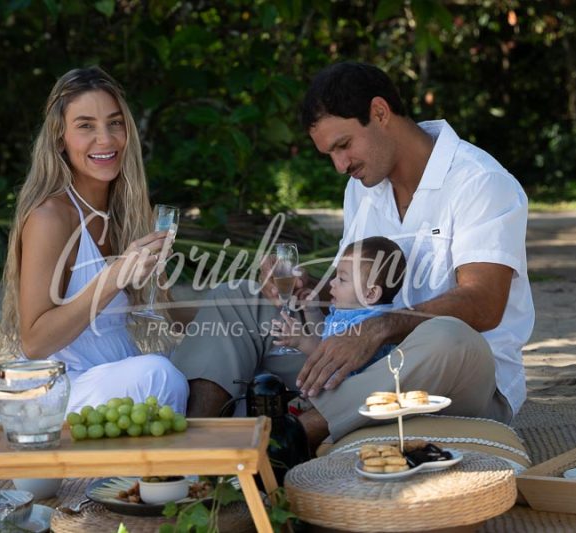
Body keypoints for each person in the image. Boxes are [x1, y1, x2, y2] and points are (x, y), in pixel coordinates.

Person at [170, 61, 534, 448]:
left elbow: (484, 303)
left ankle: (292, 440)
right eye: (330, 153)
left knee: (450, 337)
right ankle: (195, 447)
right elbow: (354, 292)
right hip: (363, 369)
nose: (340, 165)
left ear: (380, 113)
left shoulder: (480, 182)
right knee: (237, 297)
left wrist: (376, 329)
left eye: (343, 145)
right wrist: (310, 288)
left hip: (452, 377)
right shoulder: (363, 186)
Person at [0, 66, 188, 414]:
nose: (106, 139)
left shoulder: (127, 215)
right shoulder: (50, 216)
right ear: (60, 138)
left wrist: (235, 303)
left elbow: (172, 316)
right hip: (53, 392)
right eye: (86, 126)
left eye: (114, 123)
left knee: (211, 366)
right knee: (160, 376)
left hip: (114, 380)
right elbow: (35, 341)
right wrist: (114, 277)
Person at [271, 236, 406, 378]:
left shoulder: (365, 323)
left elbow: (330, 357)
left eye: (342, 279)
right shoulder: (349, 312)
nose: (332, 283)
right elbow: (324, 337)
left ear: (371, 294)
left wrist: (301, 341)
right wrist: (312, 311)